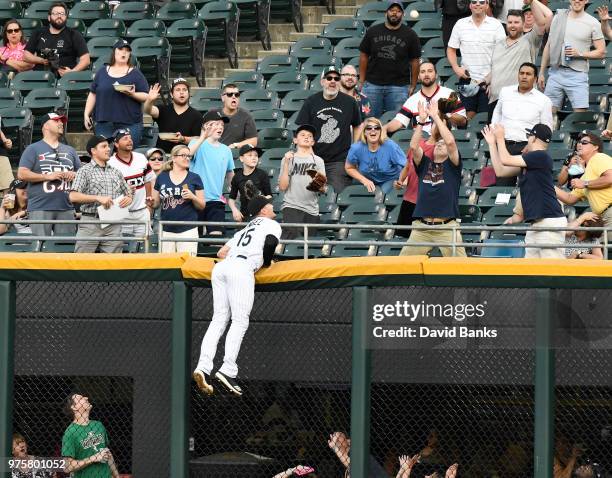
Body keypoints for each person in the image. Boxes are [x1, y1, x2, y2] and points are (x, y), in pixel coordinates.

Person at [193, 195, 281, 396]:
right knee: (240, 321)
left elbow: (221, 253)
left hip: (223, 268)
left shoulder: (244, 229)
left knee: (218, 320)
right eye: (269, 204)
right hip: (241, 269)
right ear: (263, 210)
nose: (272, 205)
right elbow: (269, 243)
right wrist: (266, 263)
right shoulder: (271, 223)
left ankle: (203, 367)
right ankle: (227, 369)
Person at [484, 123, 567, 258]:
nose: (527, 138)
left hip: (549, 220)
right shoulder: (532, 161)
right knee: (532, 269)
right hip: (536, 222)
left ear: (534, 138)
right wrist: (492, 144)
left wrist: (500, 138)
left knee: (552, 270)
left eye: (529, 136)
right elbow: (500, 171)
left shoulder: (540, 156)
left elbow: (506, 159)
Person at [400, 100, 467, 257]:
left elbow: (450, 141)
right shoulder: (424, 164)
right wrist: (421, 122)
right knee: (402, 266)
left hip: (447, 227)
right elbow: (414, 147)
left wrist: (436, 117)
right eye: (438, 143)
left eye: (443, 144)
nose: (440, 144)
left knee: (462, 269)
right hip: (421, 228)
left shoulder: (453, 166)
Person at [296, 66, 362, 193]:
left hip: (338, 161)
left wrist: (354, 147)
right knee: (309, 193)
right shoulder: (311, 101)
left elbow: (357, 125)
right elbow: (302, 129)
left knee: (334, 194)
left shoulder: (350, 102)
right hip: (313, 158)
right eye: (329, 78)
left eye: (336, 78)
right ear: (322, 81)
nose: (333, 81)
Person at [17, 112, 80, 238]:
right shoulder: (32, 148)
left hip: (66, 207)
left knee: (64, 249)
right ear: (45, 126)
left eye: (61, 121)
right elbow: (21, 174)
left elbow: (82, 174)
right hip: (40, 207)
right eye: (56, 121)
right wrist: (47, 176)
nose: (61, 123)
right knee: (40, 249)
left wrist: (74, 174)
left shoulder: (70, 150)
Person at [486, 2, 552, 117]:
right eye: (510, 22)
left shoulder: (530, 40)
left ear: (523, 24)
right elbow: (494, 70)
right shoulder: (497, 44)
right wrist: (485, 81)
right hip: (496, 101)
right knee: (494, 134)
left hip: (520, 100)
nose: (512, 25)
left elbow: (545, 19)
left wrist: (532, 2)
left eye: (516, 22)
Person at [539, 0, 605, 113]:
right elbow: (549, 46)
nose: (577, 1)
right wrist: (541, 72)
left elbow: (601, 52)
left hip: (578, 75)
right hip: (555, 72)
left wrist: (579, 54)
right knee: (547, 116)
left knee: (579, 119)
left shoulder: (593, 22)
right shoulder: (558, 17)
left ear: (586, 1)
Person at [358, 0, 421, 118]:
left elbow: (415, 61)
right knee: (369, 121)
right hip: (372, 85)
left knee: (399, 122)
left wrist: (412, 84)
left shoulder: (410, 34)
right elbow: (363, 55)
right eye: (392, 10)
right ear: (386, 13)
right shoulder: (373, 31)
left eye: (398, 11)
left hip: (399, 87)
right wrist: (362, 80)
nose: (394, 13)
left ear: (402, 14)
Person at [69, 135, 132, 253]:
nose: (108, 149)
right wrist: (97, 198)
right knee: (83, 262)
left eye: (108, 146)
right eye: (104, 146)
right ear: (93, 151)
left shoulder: (115, 171)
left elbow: (128, 191)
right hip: (90, 222)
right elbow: (73, 196)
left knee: (114, 264)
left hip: (113, 222)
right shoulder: (84, 170)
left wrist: (129, 197)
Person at [447, 0, 506, 119]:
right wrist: (456, 68)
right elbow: (451, 49)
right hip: (467, 80)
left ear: (487, 5)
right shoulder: (460, 24)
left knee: (485, 119)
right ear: (470, 6)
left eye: (481, 2)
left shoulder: (496, 25)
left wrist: (492, 78)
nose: (477, 4)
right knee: (467, 117)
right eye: (474, 2)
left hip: (489, 81)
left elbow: (503, 54)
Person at [84, 39, 148, 146]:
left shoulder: (135, 73)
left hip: (129, 123)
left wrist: (133, 94)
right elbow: (93, 93)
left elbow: (146, 96)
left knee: (128, 154)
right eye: (121, 49)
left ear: (130, 54)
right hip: (103, 123)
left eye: (127, 51)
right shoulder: (102, 72)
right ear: (114, 52)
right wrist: (86, 114)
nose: (124, 52)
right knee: (105, 156)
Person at [491, 63, 553, 168]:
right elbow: (497, 112)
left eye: (528, 74)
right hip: (504, 145)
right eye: (521, 73)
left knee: (525, 183)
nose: (524, 76)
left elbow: (547, 128)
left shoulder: (544, 100)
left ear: (535, 78)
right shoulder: (505, 92)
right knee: (502, 182)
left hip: (527, 148)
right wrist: (494, 130)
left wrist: (533, 146)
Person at [385, 61, 467, 135]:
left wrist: (443, 114)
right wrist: (382, 129)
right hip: (421, 143)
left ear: (436, 75)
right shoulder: (412, 100)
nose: (426, 74)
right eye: (422, 72)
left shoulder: (449, 94)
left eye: (430, 71)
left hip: (444, 141)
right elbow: (398, 122)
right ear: (418, 77)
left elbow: (463, 121)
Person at [152, 144, 205, 255]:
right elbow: (156, 203)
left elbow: (202, 205)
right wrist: (151, 202)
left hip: (188, 229)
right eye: (183, 155)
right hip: (166, 228)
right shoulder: (162, 177)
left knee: (187, 265)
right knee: (167, 266)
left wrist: (192, 197)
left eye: (189, 156)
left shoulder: (194, 177)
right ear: (174, 158)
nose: (187, 158)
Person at [188, 110, 235, 236]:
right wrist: (203, 136)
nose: (220, 127)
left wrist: (235, 191)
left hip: (215, 201)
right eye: (216, 124)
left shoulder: (226, 150)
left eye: (222, 125)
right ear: (205, 126)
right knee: (194, 240)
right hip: (195, 200)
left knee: (216, 238)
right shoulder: (196, 143)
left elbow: (230, 174)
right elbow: (187, 154)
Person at [108, 128, 155, 249]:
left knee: (144, 248)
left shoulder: (141, 157)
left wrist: (148, 202)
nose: (130, 141)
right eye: (125, 139)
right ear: (116, 144)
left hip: (142, 212)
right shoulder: (110, 163)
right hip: (122, 213)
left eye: (130, 138)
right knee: (122, 249)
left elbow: (148, 179)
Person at [555, 132, 612, 228]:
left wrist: (585, 184)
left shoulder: (599, 157)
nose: (580, 144)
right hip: (603, 217)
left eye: (584, 142)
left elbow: (610, 178)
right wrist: (547, 185)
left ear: (595, 147)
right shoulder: (586, 175)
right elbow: (570, 199)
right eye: (579, 142)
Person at [279, 124, 325, 239]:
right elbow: (283, 187)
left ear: (313, 142)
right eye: (303, 135)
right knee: (291, 243)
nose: (307, 137)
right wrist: (286, 164)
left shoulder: (318, 161)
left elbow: (323, 188)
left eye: (310, 136)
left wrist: (318, 184)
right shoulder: (288, 158)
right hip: (292, 206)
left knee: (307, 247)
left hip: (312, 209)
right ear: (295, 140)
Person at [22, 2, 90, 77]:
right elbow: (25, 56)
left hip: (64, 78)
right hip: (40, 77)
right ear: (49, 17)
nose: (59, 16)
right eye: (56, 13)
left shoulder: (74, 34)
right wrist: (41, 60)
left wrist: (72, 72)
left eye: (62, 14)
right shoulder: (38, 33)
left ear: (66, 17)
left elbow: (86, 60)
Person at [61, 392, 120, 478]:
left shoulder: (98, 425)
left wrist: (117, 476)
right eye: (81, 398)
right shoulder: (70, 432)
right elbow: (67, 467)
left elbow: (107, 453)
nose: (86, 398)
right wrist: (93, 458)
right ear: (74, 407)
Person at [346, 117, 406, 194]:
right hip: (368, 179)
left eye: (377, 128)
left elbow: (407, 166)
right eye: (369, 128)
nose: (373, 130)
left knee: (380, 193)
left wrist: (401, 181)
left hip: (390, 179)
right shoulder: (356, 148)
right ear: (364, 132)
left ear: (380, 131)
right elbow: (349, 168)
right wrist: (364, 180)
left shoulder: (390, 146)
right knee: (351, 192)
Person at [144, 79, 204, 153]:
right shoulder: (163, 110)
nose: (181, 92)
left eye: (184, 90)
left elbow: (198, 139)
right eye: (178, 90)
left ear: (188, 94)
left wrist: (183, 139)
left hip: (184, 157)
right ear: (171, 94)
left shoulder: (196, 115)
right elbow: (148, 110)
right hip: (162, 156)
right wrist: (149, 100)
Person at [229, 144, 272, 223]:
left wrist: (261, 198)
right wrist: (234, 210)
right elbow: (231, 198)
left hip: (261, 217)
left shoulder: (262, 174)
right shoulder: (237, 177)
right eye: (250, 155)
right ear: (241, 158)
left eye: (256, 155)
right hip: (244, 216)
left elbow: (269, 196)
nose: (254, 158)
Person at [213, 83, 257, 150]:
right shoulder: (213, 114)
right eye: (229, 94)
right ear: (222, 98)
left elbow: (253, 141)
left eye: (237, 95)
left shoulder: (246, 116)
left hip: (235, 154)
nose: (234, 97)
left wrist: (236, 145)